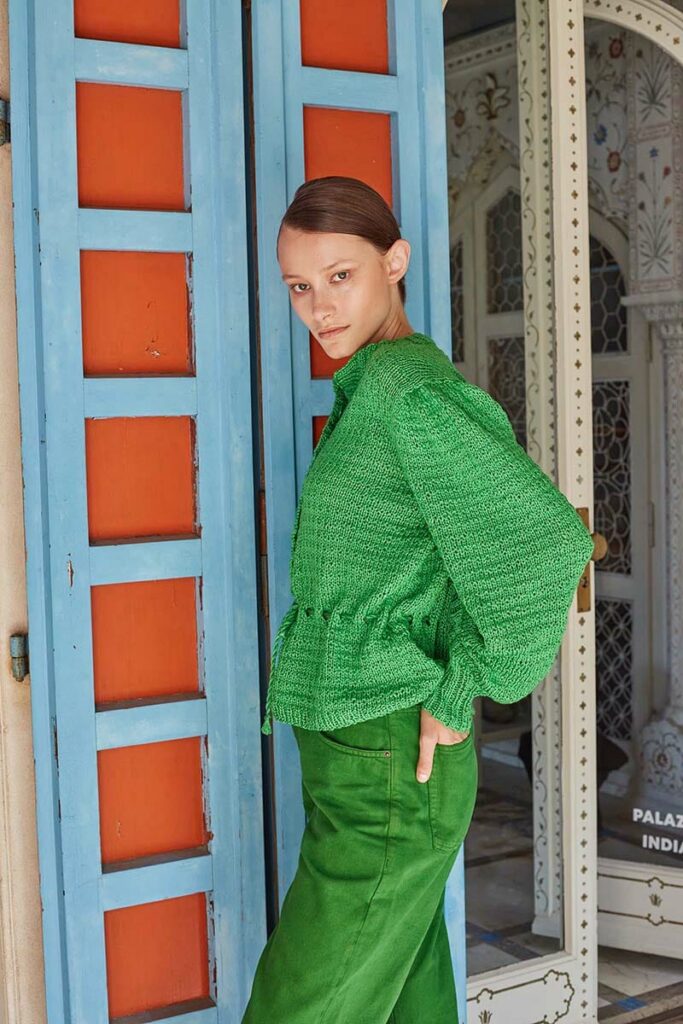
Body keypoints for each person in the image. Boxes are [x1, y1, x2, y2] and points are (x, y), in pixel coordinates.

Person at [242, 176, 594, 1023]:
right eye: (298, 286)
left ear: (393, 262)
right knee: (409, 999)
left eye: (340, 276)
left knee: (298, 1006)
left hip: (392, 758)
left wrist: (461, 683)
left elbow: (543, 542)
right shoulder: (372, 389)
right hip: (357, 752)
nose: (319, 307)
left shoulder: (409, 394)